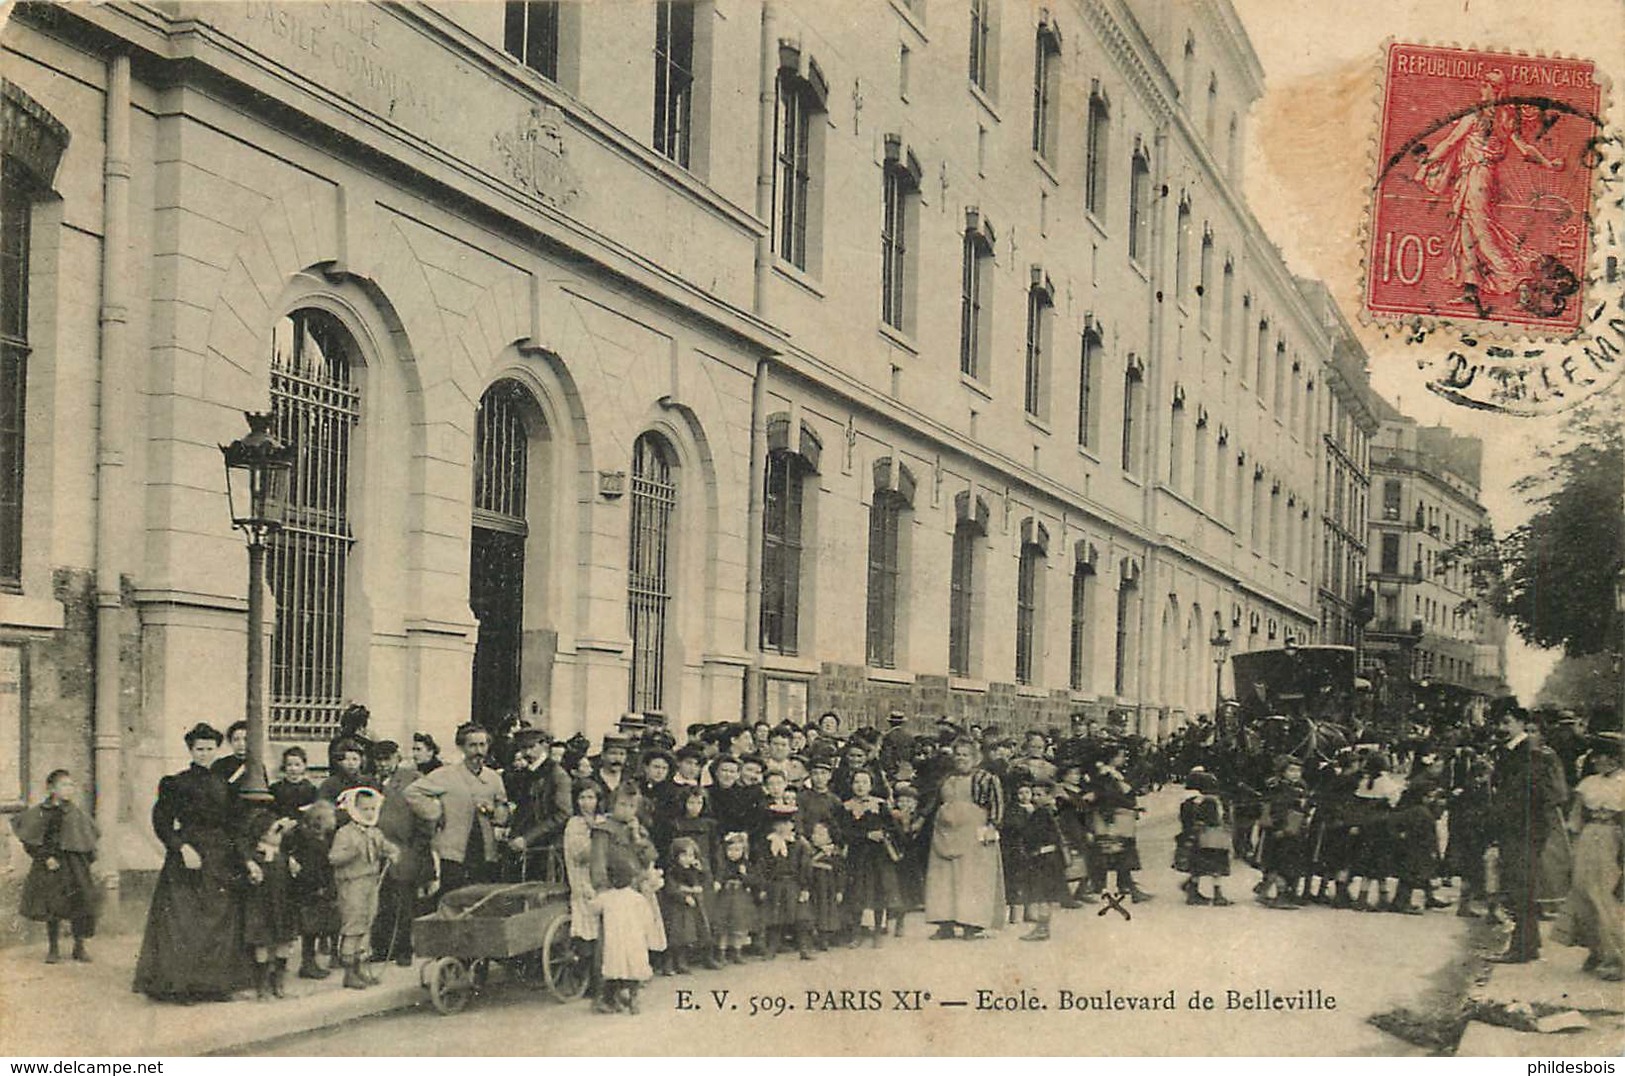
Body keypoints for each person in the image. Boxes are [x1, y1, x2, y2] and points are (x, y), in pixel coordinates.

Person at [133, 722, 250, 1002]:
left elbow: (234, 824)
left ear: (216, 750)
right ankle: (180, 986)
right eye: (199, 749)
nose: (205, 754)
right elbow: (161, 822)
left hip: (220, 857)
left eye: (210, 749)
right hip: (188, 857)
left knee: (219, 920)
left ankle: (213, 986)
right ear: (191, 750)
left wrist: (241, 857)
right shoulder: (176, 782)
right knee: (185, 922)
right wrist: (181, 847)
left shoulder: (225, 784)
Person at [1490, 707, 1569, 963]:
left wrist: (1501, 817)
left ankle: (1521, 948)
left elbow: (1525, 794)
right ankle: (1530, 943)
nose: (1501, 728)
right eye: (1498, 723)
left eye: (1506, 722)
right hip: (1520, 827)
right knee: (1522, 886)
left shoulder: (1528, 753)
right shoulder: (1515, 750)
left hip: (1523, 828)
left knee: (1520, 886)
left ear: (1522, 723)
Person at [406, 722, 512, 891]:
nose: (478, 751)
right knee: (453, 899)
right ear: (461, 747)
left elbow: (502, 807)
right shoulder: (446, 775)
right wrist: (436, 812)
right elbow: (412, 792)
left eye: (482, 745)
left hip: (485, 851)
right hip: (453, 853)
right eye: (472, 745)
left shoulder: (493, 778)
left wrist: (496, 812)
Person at [11, 769, 100, 964]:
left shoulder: (76, 813)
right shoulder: (42, 811)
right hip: (51, 864)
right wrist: (45, 857)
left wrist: (87, 859)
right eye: (64, 785)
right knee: (53, 904)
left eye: (71, 785)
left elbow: (88, 836)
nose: (69, 789)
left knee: (80, 902)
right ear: (51, 788)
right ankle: (53, 948)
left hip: (75, 864)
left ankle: (79, 946)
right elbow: (30, 840)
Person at [924, 739, 1006, 941]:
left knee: (971, 879)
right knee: (943, 879)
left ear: (975, 758)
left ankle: (972, 925)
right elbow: (934, 802)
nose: (961, 758)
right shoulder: (946, 779)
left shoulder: (986, 779)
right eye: (957, 754)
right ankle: (945, 924)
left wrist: (991, 827)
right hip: (944, 835)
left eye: (965, 754)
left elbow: (996, 806)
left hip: (973, 836)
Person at [589, 783, 660, 1015]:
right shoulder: (604, 829)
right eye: (622, 804)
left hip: (635, 890)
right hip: (612, 890)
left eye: (632, 806)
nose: (627, 810)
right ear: (612, 804)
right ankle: (603, 993)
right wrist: (601, 887)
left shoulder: (636, 828)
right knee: (609, 944)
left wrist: (638, 836)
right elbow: (598, 861)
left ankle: (626, 988)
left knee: (633, 942)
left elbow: (650, 856)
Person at [1557, 733, 1623, 980]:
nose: (1596, 760)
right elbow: (1575, 818)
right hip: (1587, 840)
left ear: (1615, 758)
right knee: (1583, 892)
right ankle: (1596, 950)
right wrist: (1571, 845)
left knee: (1606, 894)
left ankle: (1617, 956)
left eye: (1601, 756)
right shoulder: (1588, 784)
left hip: (1613, 840)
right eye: (1595, 756)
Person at [328, 787, 399, 989]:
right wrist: (351, 853)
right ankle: (349, 972)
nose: (369, 813)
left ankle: (360, 968)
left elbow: (387, 847)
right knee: (353, 925)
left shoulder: (375, 832)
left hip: (371, 882)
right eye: (364, 809)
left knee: (367, 923)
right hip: (352, 884)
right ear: (353, 809)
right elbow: (333, 858)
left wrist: (393, 853)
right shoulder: (345, 833)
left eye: (371, 808)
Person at [240, 808, 299, 998]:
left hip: (282, 906)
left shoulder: (283, 857)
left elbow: (290, 882)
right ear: (262, 834)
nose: (280, 836)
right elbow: (248, 881)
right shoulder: (255, 858)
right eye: (276, 831)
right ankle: (262, 985)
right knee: (262, 944)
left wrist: (294, 869)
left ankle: (278, 983)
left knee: (284, 942)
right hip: (261, 908)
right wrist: (252, 875)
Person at [287, 798, 339, 980]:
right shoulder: (311, 841)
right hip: (312, 889)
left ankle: (310, 963)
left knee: (315, 927)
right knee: (310, 929)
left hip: (316, 887)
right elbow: (312, 867)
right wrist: (320, 885)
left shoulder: (321, 838)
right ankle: (307, 964)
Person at [562, 779, 605, 1001]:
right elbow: (578, 855)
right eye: (582, 798)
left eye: (591, 797)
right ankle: (588, 979)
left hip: (601, 878)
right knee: (587, 927)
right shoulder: (575, 824)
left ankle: (605, 976)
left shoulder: (603, 821)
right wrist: (597, 839)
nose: (587, 802)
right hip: (582, 878)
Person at [1019, 779, 1068, 941]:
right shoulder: (1045, 811)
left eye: (1040, 794)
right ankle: (1042, 927)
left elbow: (1044, 836)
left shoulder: (1043, 813)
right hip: (1046, 858)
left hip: (1045, 859)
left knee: (1043, 896)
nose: (1035, 798)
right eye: (1034, 794)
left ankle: (1042, 928)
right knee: (1043, 896)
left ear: (1049, 796)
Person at [658, 836, 711, 974]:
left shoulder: (693, 870)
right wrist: (684, 896)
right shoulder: (672, 871)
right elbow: (671, 888)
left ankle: (681, 962)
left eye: (691, 855)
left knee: (686, 935)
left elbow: (704, 880)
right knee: (674, 935)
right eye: (684, 855)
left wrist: (701, 870)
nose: (688, 859)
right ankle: (668, 964)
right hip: (676, 907)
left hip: (689, 909)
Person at [1179, 770, 1232, 906]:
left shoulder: (1190, 801)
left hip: (1198, 839)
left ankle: (1193, 891)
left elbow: (1185, 820)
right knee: (1217, 869)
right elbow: (1216, 820)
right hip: (1215, 838)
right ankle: (1217, 894)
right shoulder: (1212, 801)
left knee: (1197, 867)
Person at [712, 831, 758, 965]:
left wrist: (744, 875)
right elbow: (719, 876)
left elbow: (753, 881)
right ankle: (722, 952)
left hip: (740, 898)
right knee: (723, 925)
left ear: (743, 851)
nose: (733, 853)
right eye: (730, 850)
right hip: (725, 897)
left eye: (737, 850)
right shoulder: (723, 864)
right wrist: (718, 883)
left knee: (739, 925)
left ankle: (737, 952)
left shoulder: (745, 865)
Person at [210, 721, 269, 797]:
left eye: (246, 739)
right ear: (230, 742)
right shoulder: (221, 764)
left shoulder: (257, 765)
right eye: (236, 739)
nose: (241, 744)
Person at [268, 747, 318, 818]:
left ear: (304, 766)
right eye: (289, 765)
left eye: (297, 765)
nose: (293, 769)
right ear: (284, 766)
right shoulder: (276, 788)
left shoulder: (311, 789)